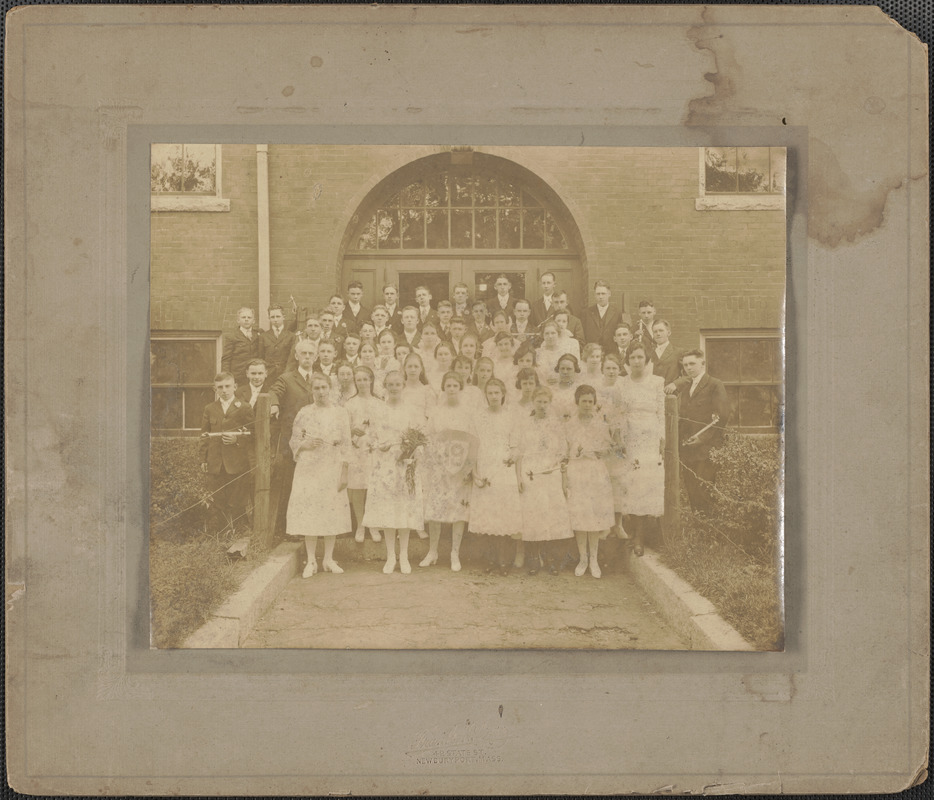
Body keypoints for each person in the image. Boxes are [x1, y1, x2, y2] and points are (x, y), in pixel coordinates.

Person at [286, 373, 352, 578]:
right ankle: (311, 560)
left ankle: (328, 559)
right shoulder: (304, 413)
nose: (321, 392)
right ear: (311, 390)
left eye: (324, 387)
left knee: (331, 511)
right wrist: (304, 445)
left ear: (330, 388)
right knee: (311, 511)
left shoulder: (340, 413)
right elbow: (294, 440)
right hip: (309, 469)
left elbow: (347, 444)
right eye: (317, 388)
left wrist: (344, 472)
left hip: (332, 467)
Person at [362, 371, 426, 574]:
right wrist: (378, 446)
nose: (394, 388)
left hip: (405, 465)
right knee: (388, 511)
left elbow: (420, 439)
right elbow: (371, 438)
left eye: (398, 384)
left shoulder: (412, 410)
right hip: (385, 466)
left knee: (404, 511)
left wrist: (412, 451)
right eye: (390, 384)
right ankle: (390, 556)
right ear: (385, 386)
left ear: (403, 385)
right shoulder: (378, 410)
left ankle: (404, 556)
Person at [422, 372, 478, 571]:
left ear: (460, 388)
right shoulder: (437, 412)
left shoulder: (468, 413)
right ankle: (433, 551)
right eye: (448, 386)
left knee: (458, 510)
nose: (452, 389)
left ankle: (455, 552)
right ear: (444, 388)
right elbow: (428, 438)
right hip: (439, 468)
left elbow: (474, 441)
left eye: (455, 385)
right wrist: (436, 462)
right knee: (435, 509)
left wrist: (467, 467)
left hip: (460, 469)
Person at [515, 386, 573, 574]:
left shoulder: (556, 424)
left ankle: (550, 559)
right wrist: (519, 476)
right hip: (531, 473)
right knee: (533, 515)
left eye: (545, 402)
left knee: (552, 515)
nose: (542, 405)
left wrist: (560, 474)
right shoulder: (525, 424)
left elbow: (563, 451)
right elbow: (520, 452)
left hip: (551, 472)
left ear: (550, 403)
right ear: (533, 402)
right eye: (538, 402)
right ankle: (533, 558)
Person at [618, 342, 667, 555]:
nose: (636, 361)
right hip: (630, 436)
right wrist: (621, 438)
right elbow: (619, 412)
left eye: (640, 357)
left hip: (650, 437)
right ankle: (635, 533)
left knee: (648, 483)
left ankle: (645, 535)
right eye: (632, 357)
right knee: (632, 484)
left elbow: (661, 412)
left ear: (647, 360)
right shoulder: (621, 383)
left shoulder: (657, 382)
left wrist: (662, 438)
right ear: (627, 361)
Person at [470, 378, 522, 574]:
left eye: (496, 393)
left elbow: (516, 446)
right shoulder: (477, 417)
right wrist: (475, 472)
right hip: (484, 466)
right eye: (490, 393)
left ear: (503, 394)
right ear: (485, 395)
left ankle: (504, 561)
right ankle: (491, 560)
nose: (493, 396)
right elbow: (473, 446)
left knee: (504, 514)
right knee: (488, 515)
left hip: (503, 469)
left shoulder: (511, 417)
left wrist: (511, 457)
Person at [565, 384, 616, 578]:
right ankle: (583, 558)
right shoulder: (569, 425)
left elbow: (609, 449)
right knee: (580, 515)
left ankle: (594, 559)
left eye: (590, 401)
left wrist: (599, 451)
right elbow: (564, 450)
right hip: (576, 471)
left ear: (595, 403)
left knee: (593, 516)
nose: (587, 405)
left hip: (595, 472)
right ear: (577, 402)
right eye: (583, 401)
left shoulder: (601, 425)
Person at [268, 339, 318, 533]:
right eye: (303, 353)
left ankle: (313, 528)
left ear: (316, 357)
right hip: (294, 443)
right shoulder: (287, 379)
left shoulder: (320, 379)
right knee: (291, 485)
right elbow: (273, 392)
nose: (307, 357)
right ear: (296, 356)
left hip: (317, 441)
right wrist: (274, 404)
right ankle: (289, 530)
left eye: (310, 354)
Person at [677, 349, 731, 515]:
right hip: (688, 448)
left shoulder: (714, 384)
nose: (688, 368)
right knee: (691, 488)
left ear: (702, 363)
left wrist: (702, 438)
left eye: (692, 363)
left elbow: (722, 416)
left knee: (704, 489)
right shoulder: (687, 387)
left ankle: (709, 524)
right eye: (685, 365)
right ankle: (698, 522)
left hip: (706, 448)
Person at [200, 372, 255, 534]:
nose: (224, 390)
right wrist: (203, 459)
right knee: (219, 498)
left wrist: (237, 439)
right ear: (215, 389)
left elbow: (253, 434)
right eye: (220, 387)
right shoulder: (210, 408)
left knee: (237, 498)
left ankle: (240, 530)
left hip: (237, 462)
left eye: (227, 386)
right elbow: (204, 435)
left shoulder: (244, 407)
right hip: (216, 462)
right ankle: (223, 532)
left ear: (235, 387)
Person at [344, 365, 382, 544]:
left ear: (371, 380)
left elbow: (384, 426)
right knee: (358, 488)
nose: (362, 383)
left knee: (373, 488)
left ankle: (373, 524)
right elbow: (343, 428)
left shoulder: (379, 403)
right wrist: (352, 430)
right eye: (358, 380)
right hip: (356, 450)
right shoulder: (349, 404)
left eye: (365, 379)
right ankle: (360, 524)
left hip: (375, 450)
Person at [221, 306, 261, 385]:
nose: (246, 319)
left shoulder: (259, 334)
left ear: (253, 321)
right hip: (238, 376)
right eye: (243, 317)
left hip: (255, 376)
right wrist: (226, 378)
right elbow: (226, 359)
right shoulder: (232, 336)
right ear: (238, 320)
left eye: (249, 317)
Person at [258, 303, 296, 383]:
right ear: (269, 318)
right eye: (272, 317)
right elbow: (260, 358)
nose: (275, 319)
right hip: (269, 376)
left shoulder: (291, 336)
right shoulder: (263, 336)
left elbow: (292, 359)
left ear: (283, 317)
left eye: (278, 316)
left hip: (286, 374)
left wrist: (287, 372)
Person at [582, 280, 625, 350]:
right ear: (594, 295)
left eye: (603, 294)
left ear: (609, 294)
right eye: (598, 294)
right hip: (592, 352)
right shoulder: (586, 313)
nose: (600, 297)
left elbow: (620, 332)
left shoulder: (617, 313)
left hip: (611, 351)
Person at [401, 352, 436, 421]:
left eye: (416, 366)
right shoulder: (399, 389)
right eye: (409, 366)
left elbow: (430, 415)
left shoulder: (427, 390)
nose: (413, 370)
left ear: (421, 369)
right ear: (404, 368)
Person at [650, 319, 683, 385]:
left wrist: (675, 384)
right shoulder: (648, 353)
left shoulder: (679, 352)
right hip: (652, 390)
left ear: (669, 333)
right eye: (655, 332)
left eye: (661, 330)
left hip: (670, 390)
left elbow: (688, 375)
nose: (658, 334)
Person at [551, 353, 582, 422]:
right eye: (562, 368)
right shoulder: (551, 389)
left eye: (569, 369)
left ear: (575, 369)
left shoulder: (580, 389)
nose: (565, 372)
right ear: (558, 369)